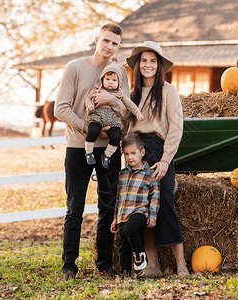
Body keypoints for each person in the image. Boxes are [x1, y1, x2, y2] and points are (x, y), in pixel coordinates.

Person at [54, 23, 130, 281]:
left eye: (115, 44)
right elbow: (60, 108)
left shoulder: (120, 71)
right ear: (97, 39)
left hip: (109, 150)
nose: (110, 47)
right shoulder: (75, 67)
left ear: (119, 46)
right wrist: (88, 128)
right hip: (78, 147)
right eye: (106, 41)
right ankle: (69, 266)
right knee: (74, 207)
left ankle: (104, 264)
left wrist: (113, 102)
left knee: (108, 208)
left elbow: (127, 111)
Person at [125, 41, 189, 277]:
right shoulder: (132, 96)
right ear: (138, 65)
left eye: (153, 61)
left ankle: (181, 263)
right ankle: (153, 265)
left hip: (159, 150)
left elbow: (176, 127)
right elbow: (127, 127)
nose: (148, 65)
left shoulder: (168, 91)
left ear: (159, 65)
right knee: (142, 208)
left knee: (164, 205)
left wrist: (164, 160)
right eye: (144, 61)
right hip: (138, 152)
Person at [110, 133, 160, 276]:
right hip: (123, 213)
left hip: (139, 211)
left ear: (142, 152)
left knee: (130, 229)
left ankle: (139, 253)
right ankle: (126, 272)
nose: (129, 157)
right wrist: (115, 218)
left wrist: (153, 216)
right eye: (126, 154)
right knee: (122, 243)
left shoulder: (150, 174)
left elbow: (155, 197)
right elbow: (118, 198)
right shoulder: (122, 174)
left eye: (133, 153)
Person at [85, 59, 144, 169]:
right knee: (93, 129)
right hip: (97, 116)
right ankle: (89, 152)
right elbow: (88, 99)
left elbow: (129, 104)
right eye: (107, 79)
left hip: (112, 120)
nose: (110, 82)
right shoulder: (97, 89)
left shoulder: (120, 94)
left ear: (119, 83)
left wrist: (138, 113)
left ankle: (107, 155)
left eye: (114, 80)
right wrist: (89, 105)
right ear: (102, 80)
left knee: (117, 135)